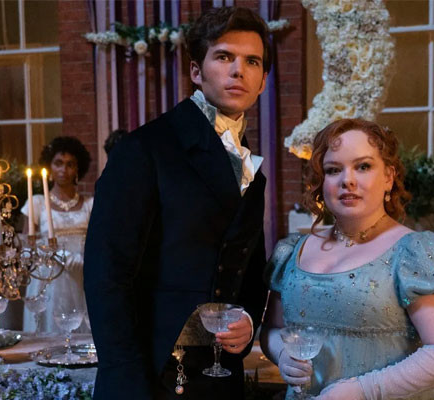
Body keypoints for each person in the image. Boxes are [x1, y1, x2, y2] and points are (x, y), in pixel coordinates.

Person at [84, 7, 271, 399]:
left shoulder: (250, 167)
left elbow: (249, 271)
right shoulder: (144, 150)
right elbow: (107, 277)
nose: (238, 71)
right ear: (196, 71)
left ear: (263, 81)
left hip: (219, 377)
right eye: (224, 57)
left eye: (252, 61)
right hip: (151, 376)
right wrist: (127, 383)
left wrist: (248, 321)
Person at [260, 119, 434, 400]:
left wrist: (362, 391)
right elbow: (274, 329)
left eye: (363, 166)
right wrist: (281, 353)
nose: (347, 180)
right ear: (321, 182)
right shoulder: (292, 251)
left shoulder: (416, 252)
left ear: (388, 176)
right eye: (333, 170)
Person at [22, 136, 93, 334]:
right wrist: (53, 254)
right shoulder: (36, 203)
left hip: (81, 274)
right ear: (50, 166)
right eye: (58, 163)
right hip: (48, 278)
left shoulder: (90, 204)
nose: (64, 170)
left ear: (78, 168)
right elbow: (27, 248)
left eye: (70, 164)